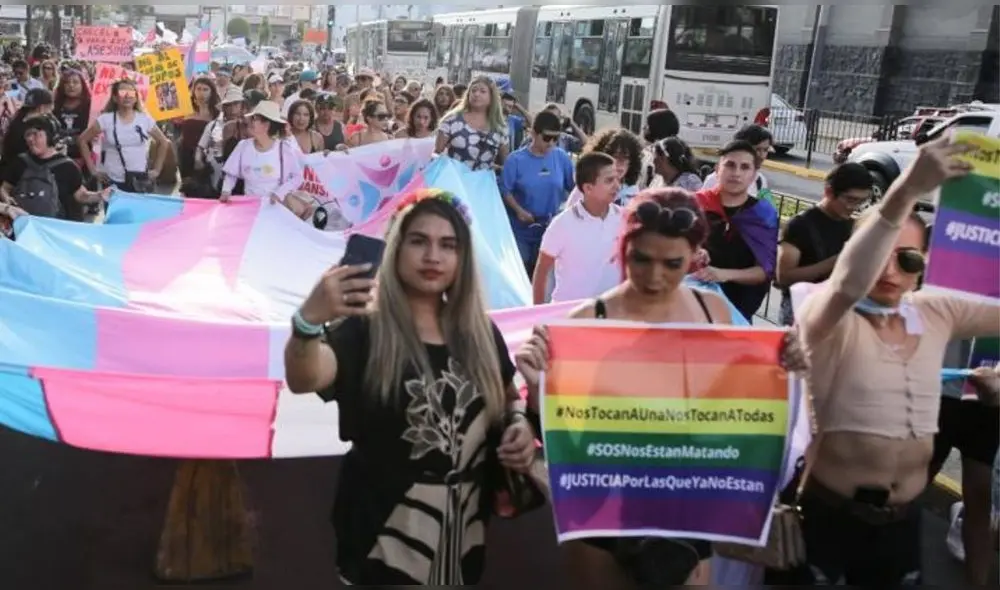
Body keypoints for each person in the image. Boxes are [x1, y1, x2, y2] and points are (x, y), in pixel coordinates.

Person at [515, 187, 810, 589]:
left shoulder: (714, 312)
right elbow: (559, 435)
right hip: (606, 512)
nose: (655, 277)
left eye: (672, 264)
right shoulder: (587, 322)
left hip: (686, 511)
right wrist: (538, 389)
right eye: (642, 259)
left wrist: (784, 366)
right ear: (624, 249)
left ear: (695, 256)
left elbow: (737, 406)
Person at [771, 135, 1000, 586]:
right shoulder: (827, 315)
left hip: (901, 527)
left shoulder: (935, 311)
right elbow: (847, 284)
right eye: (881, 255)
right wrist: (906, 191)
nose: (891, 271)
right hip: (828, 521)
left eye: (908, 258)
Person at [283, 190, 536, 585]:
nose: (433, 256)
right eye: (419, 241)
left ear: (462, 258)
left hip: (464, 533)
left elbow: (507, 399)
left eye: (447, 245)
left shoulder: (481, 333)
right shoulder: (363, 329)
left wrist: (519, 424)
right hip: (380, 538)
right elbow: (305, 379)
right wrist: (307, 322)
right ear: (396, 249)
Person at [775, 163, 871, 325]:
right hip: (801, 312)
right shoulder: (800, 225)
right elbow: (783, 277)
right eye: (851, 200)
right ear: (829, 192)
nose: (854, 207)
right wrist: (836, 261)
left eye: (861, 201)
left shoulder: (855, 224)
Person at [693, 140, 778, 322]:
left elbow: (764, 271)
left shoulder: (763, 214)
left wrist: (723, 275)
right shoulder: (695, 204)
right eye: (730, 165)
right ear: (717, 169)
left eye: (745, 167)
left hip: (738, 313)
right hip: (692, 306)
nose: (736, 173)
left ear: (754, 175)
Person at [532, 152, 622, 304]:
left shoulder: (626, 219)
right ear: (588, 188)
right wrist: (538, 318)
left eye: (618, 179)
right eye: (609, 180)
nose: (617, 186)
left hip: (612, 317)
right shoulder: (561, 224)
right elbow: (541, 273)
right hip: (568, 318)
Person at [500, 110, 574, 276]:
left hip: (549, 229)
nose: (551, 143)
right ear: (533, 133)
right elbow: (505, 189)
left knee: (542, 276)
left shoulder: (561, 158)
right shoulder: (515, 160)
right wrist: (519, 210)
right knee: (520, 274)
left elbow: (575, 188)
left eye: (556, 139)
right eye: (546, 138)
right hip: (521, 230)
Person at [0, 116, 108, 222]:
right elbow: (5, 188)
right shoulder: (20, 162)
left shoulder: (67, 166)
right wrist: (6, 201)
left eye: (36, 134)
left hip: (55, 228)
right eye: (28, 135)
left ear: (51, 137)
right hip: (24, 228)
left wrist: (99, 195)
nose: (30, 139)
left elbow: (81, 195)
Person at [78, 79, 169, 193]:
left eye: (131, 92)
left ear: (136, 97)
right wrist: (93, 170)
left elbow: (163, 142)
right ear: (115, 98)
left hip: (139, 179)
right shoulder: (106, 119)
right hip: (112, 180)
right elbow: (82, 140)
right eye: (122, 92)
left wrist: (157, 170)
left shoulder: (144, 119)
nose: (127, 96)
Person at [220, 101, 303, 206]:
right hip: (249, 207)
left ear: (266, 125)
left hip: (275, 208)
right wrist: (226, 191)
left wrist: (280, 193)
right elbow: (231, 173)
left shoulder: (283, 148)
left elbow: (297, 177)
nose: (249, 122)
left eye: (255, 119)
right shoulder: (243, 146)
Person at [436, 76, 509, 172]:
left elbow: (506, 162)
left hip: (483, 183)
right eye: (473, 90)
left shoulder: (500, 127)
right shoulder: (452, 120)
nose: (477, 94)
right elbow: (437, 153)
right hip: (453, 180)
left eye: (482, 91)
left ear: (492, 97)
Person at [702, 125, 773, 197]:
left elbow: (767, 206)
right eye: (757, 149)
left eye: (765, 150)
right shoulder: (714, 179)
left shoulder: (760, 180)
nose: (762, 155)